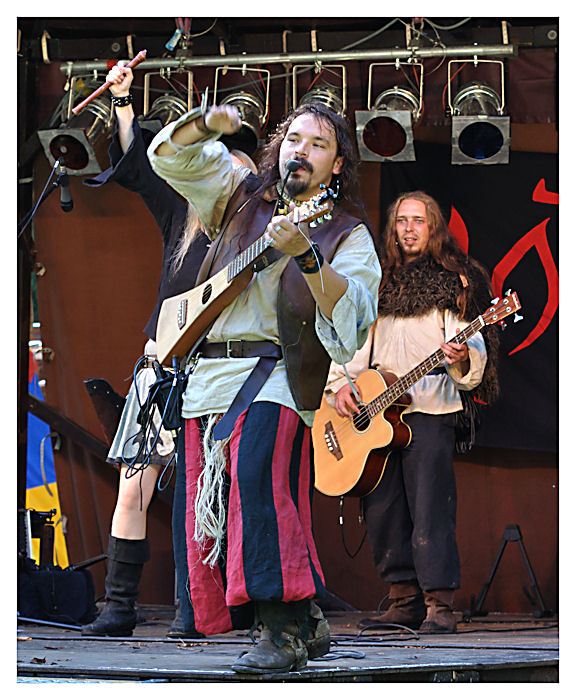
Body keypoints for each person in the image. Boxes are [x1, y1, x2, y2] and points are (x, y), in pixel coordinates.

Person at [147, 101, 381, 673]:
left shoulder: (345, 233)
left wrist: (307, 258)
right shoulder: (237, 195)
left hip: (276, 374)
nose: (302, 150)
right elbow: (167, 158)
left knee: (258, 481)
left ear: (337, 166)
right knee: (219, 507)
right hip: (208, 376)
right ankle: (305, 617)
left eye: (319, 144)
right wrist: (208, 125)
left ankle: (281, 632)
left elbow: (353, 319)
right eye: (294, 139)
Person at [81, 62, 257, 639]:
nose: (225, 177)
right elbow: (138, 165)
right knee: (135, 480)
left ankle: (200, 608)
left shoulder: (256, 231)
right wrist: (124, 102)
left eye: (237, 169)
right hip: (162, 365)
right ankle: (118, 605)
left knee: (206, 493)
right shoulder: (182, 211)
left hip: (221, 370)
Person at [324, 191, 499, 634]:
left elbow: (473, 343)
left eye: (418, 220)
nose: (408, 229)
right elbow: (352, 343)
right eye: (402, 220)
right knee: (383, 508)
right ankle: (403, 600)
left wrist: (463, 355)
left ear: (433, 227)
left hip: (431, 408)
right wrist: (341, 385)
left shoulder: (455, 281)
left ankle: (439, 604)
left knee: (430, 508)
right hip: (378, 414)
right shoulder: (378, 282)